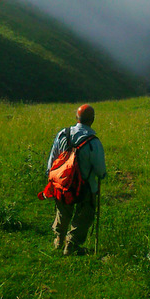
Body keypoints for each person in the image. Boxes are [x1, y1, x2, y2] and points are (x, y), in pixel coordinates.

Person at [45, 103, 106, 256]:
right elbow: (100, 170)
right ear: (92, 120)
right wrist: (103, 175)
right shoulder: (93, 142)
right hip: (85, 186)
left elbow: (52, 159)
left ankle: (58, 239)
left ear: (76, 118)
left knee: (62, 210)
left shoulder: (62, 134)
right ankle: (71, 244)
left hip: (62, 183)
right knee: (85, 213)